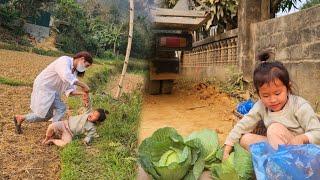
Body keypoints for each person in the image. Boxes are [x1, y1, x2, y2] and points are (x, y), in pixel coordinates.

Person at [223, 51, 320, 160]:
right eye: (265, 95)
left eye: (277, 93)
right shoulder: (260, 106)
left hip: (301, 153)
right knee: (245, 139)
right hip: (277, 146)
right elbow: (243, 125)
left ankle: (281, 168)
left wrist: (303, 138)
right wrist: (227, 148)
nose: (273, 100)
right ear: (258, 94)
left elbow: (317, 132)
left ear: (288, 87)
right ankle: (274, 161)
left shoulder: (300, 106)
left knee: (274, 129)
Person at [13, 51, 93, 134]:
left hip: (53, 92)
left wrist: (83, 93)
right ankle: (54, 130)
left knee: (48, 115)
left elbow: (69, 90)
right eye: (86, 65)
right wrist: (83, 85)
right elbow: (66, 75)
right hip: (44, 87)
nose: (85, 68)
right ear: (82, 59)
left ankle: (21, 118)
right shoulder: (64, 60)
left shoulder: (74, 72)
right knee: (60, 109)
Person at [42, 107, 109, 147]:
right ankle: (47, 138)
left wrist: (85, 141)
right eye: (93, 113)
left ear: (98, 121)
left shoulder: (92, 128)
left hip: (69, 133)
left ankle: (53, 140)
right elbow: (88, 103)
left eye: (95, 116)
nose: (92, 115)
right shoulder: (87, 113)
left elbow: (89, 136)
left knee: (66, 144)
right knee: (51, 126)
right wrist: (86, 95)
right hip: (64, 124)